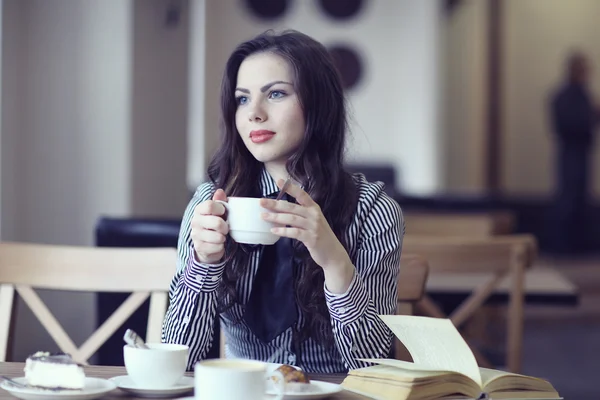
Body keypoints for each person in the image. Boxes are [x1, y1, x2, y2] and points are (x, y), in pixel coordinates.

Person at [162, 30, 404, 373]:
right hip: (241, 392)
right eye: (243, 99)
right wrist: (204, 263)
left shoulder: (373, 210)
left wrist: (335, 262)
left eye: (275, 94)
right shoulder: (210, 203)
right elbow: (178, 360)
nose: (254, 114)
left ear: (319, 103)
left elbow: (374, 367)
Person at [549, 51, 598, 253]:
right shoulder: (563, 95)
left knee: (581, 200)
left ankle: (578, 247)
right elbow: (566, 125)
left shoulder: (584, 94)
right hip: (570, 154)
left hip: (583, 153)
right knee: (568, 201)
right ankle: (563, 247)